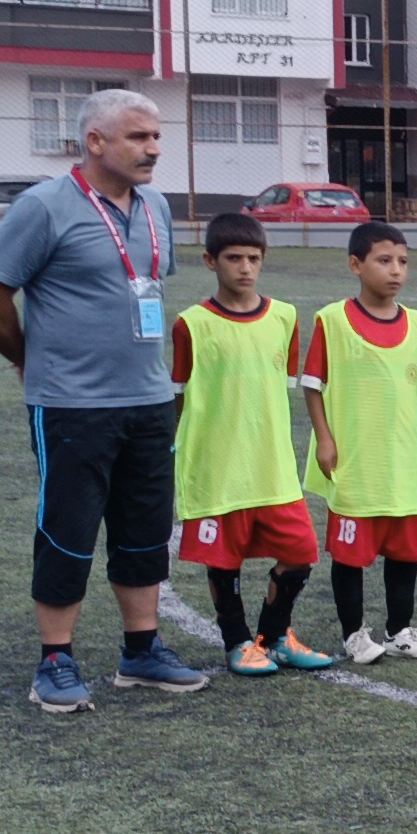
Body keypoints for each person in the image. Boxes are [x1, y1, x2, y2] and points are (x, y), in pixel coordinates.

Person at [0, 86, 201, 710]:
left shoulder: (155, 206)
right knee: (68, 529)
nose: (153, 148)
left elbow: (143, 288)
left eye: (156, 136)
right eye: (138, 137)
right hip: (72, 404)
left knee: (144, 528)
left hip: (148, 399)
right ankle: (55, 660)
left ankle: (141, 650)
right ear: (95, 142)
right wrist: (24, 356)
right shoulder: (44, 207)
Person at [169, 212, 331, 678]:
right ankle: (237, 641)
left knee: (301, 551)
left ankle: (272, 638)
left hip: (271, 465)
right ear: (210, 261)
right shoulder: (192, 324)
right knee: (224, 560)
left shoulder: (284, 317)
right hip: (218, 465)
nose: (245, 267)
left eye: (254, 258)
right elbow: (179, 396)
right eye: (234, 258)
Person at [300, 221, 417, 661]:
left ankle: (400, 632)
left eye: (403, 261)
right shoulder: (332, 320)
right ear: (355, 265)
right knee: (350, 554)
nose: (396, 270)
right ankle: (354, 635)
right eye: (384, 260)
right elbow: (312, 386)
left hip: (404, 460)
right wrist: (324, 438)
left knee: (405, 551)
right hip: (356, 460)